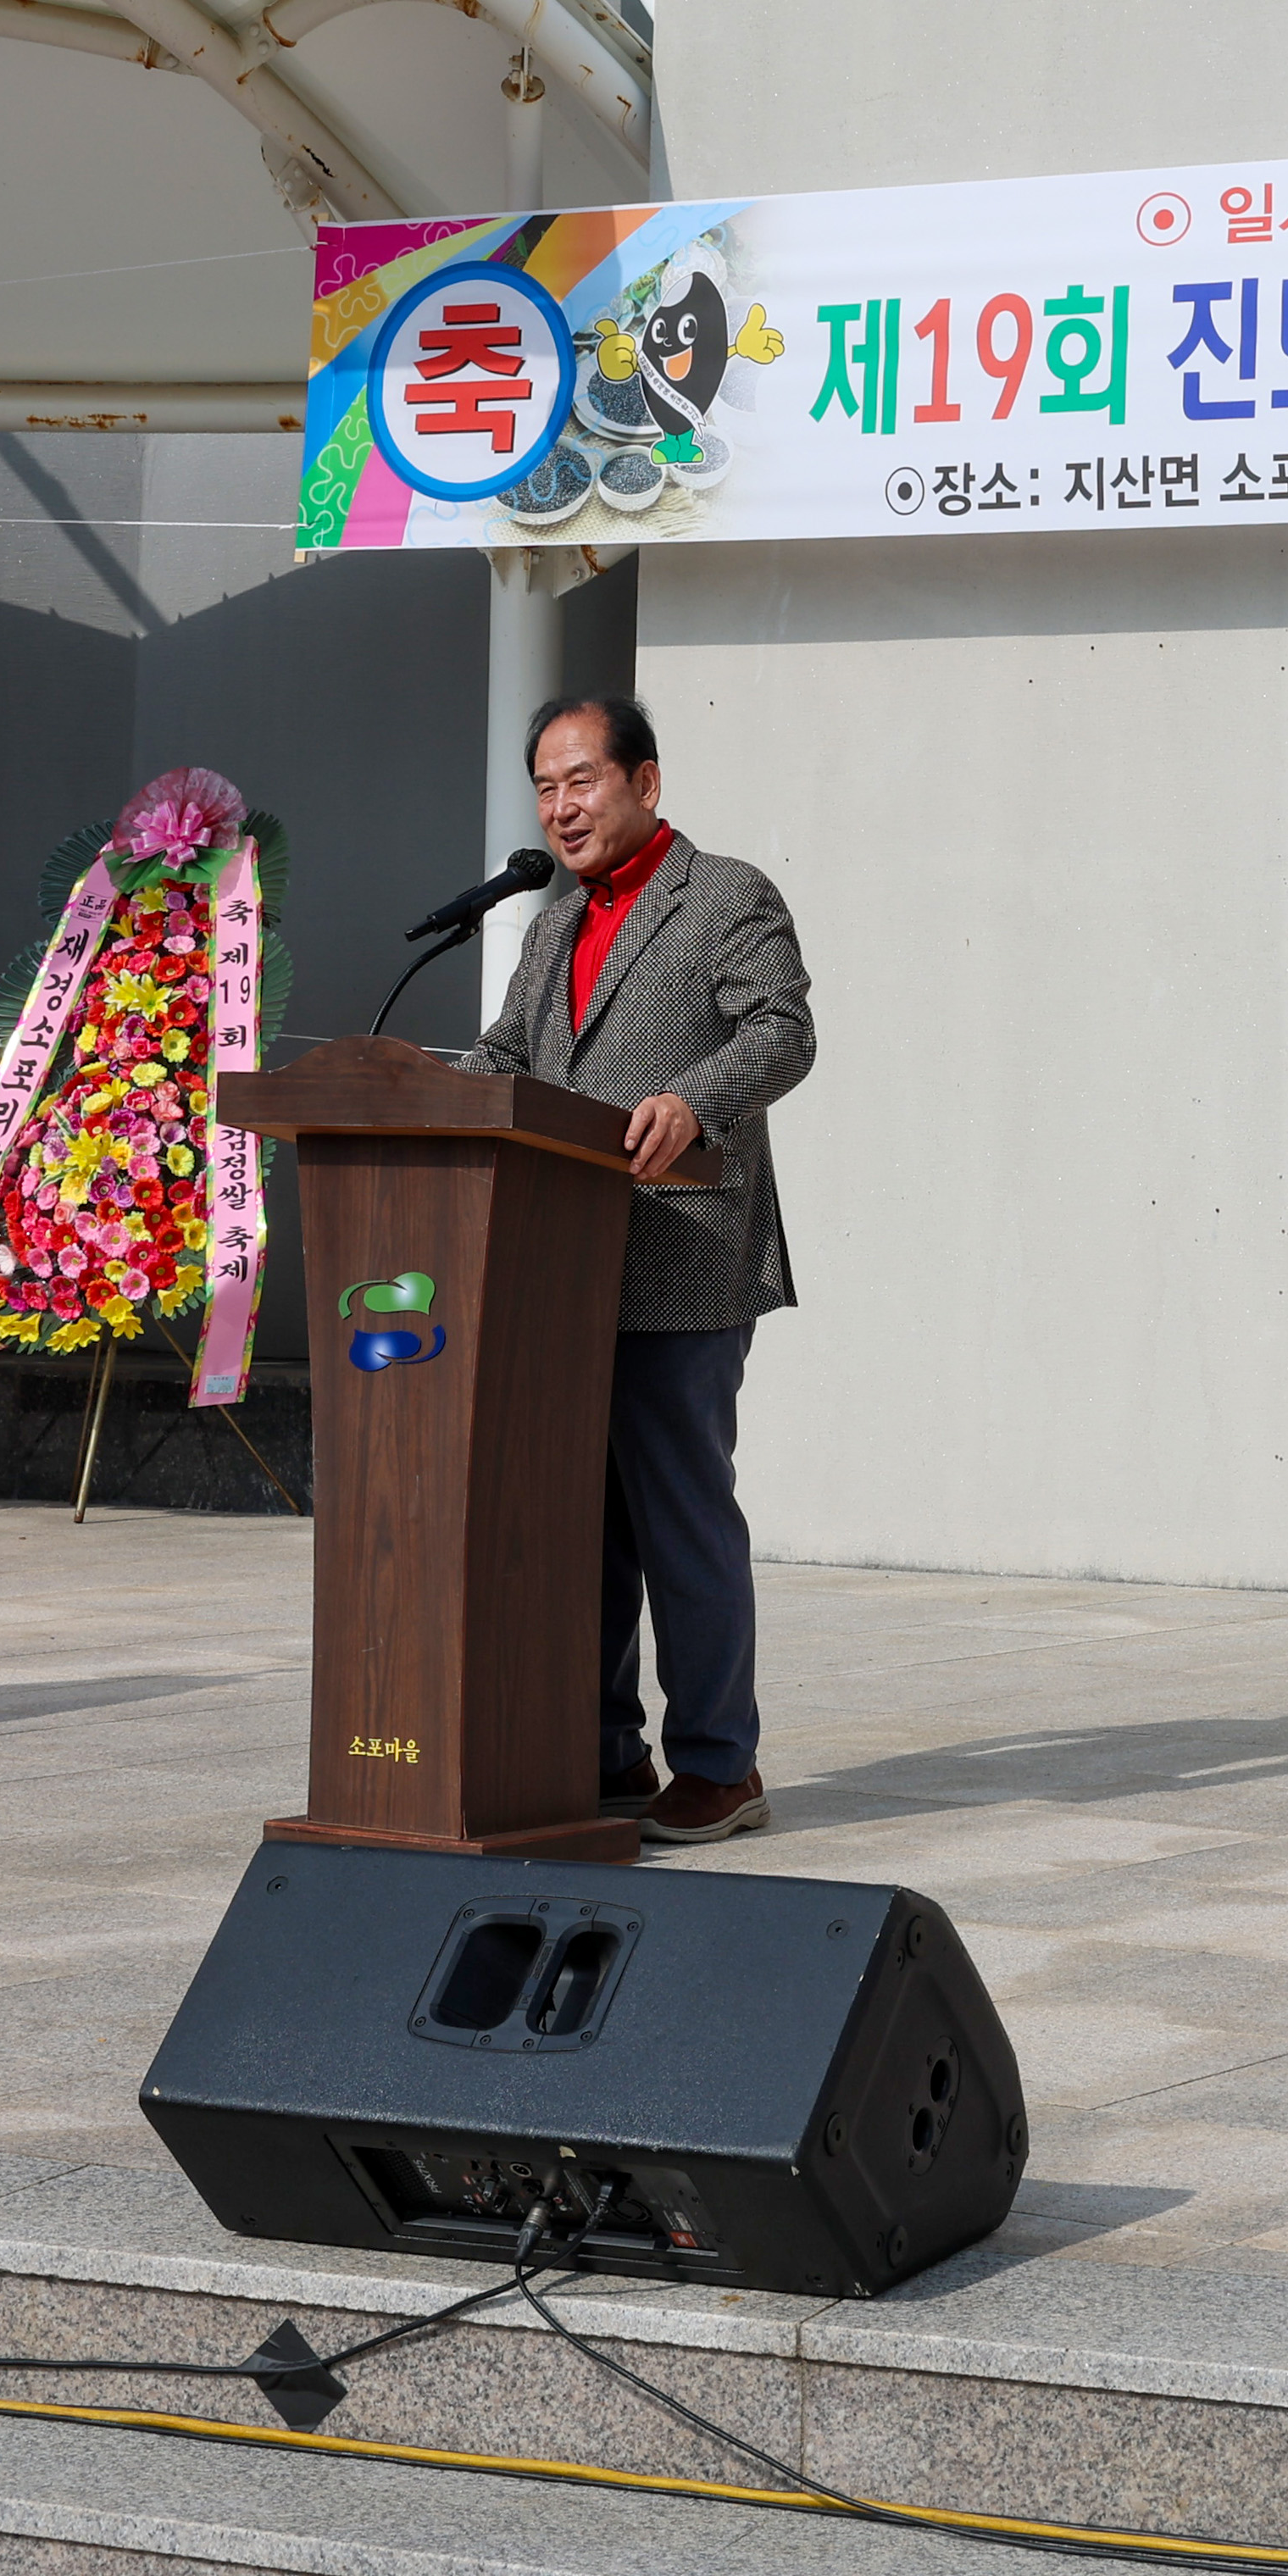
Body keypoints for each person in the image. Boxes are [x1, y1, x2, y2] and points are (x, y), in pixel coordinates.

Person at [465, 692, 813, 1845]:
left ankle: (722, 1765)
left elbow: (780, 1032)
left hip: (682, 1254)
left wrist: (691, 1096)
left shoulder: (726, 896)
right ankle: (609, 1749)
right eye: (546, 788)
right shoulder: (555, 921)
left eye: (582, 781)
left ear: (645, 783)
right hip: (561, 1268)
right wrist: (447, 1086)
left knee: (678, 1517)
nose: (561, 807)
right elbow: (515, 1051)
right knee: (586, 1525)